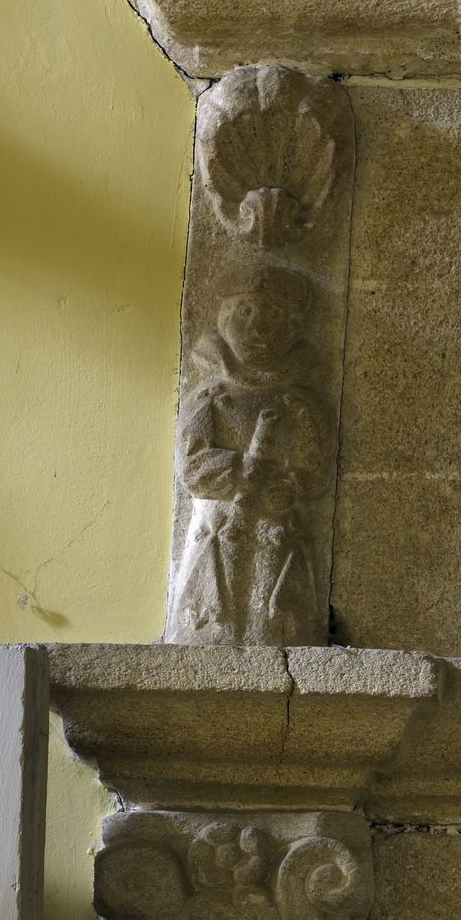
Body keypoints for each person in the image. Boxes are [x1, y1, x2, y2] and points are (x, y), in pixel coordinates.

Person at [169, 265, 332, 644]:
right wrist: (241, 467)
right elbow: (192, 466)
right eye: (245, 311)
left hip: (276, 529)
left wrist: (285, 482)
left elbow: (316, 470)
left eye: (273, 314)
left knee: (274, 628)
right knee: (209, 630)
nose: (258, 328)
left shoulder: (300, 401)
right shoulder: (209, 396)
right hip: (218, 529)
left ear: (293, 325)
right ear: (224, 318)